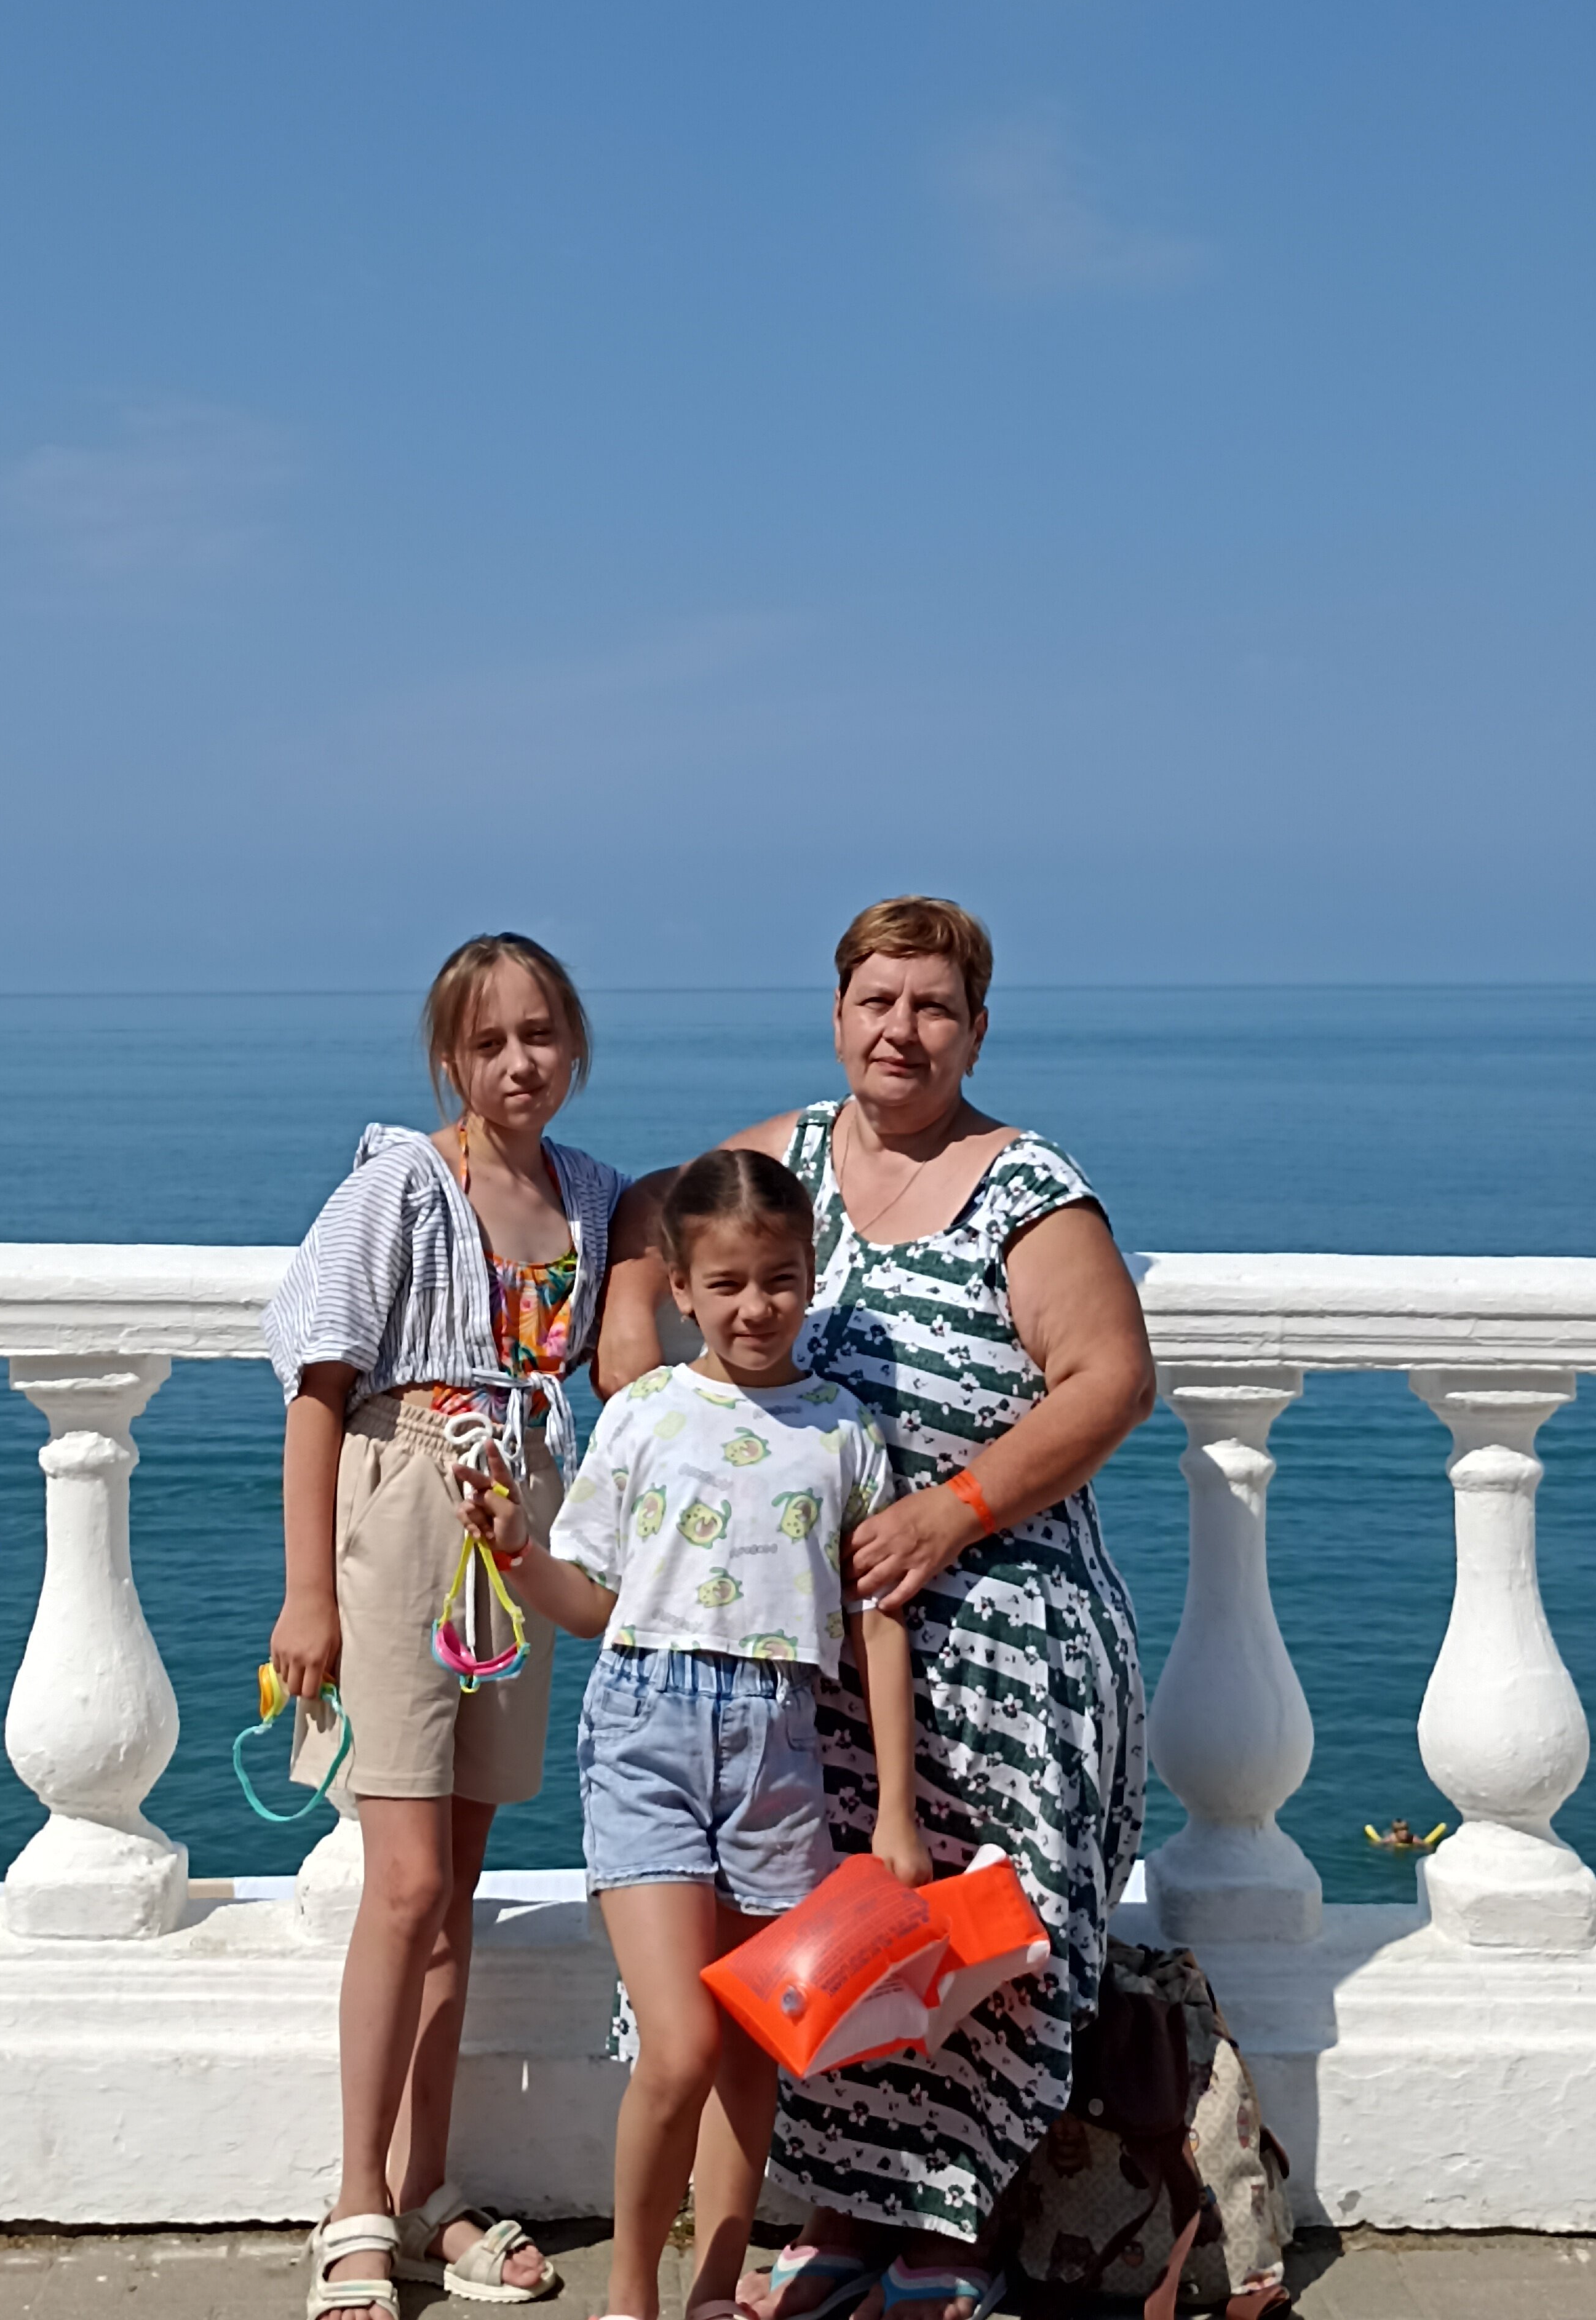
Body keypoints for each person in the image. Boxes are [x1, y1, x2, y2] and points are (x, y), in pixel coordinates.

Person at [598, 898, 1156, 2320]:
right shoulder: (784, 1154)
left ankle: (958, 2222)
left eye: (932, 1004)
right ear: (837, 1011)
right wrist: (628, 1368)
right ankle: (847, 2204)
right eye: (876, 999)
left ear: (975, 1027)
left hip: (1002, 1638)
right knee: (839, 1941)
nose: (900, 1029)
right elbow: (647, 1223)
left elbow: (1109, 1378)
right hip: (820, 1653)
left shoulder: (1027, 1188)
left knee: (967, 1950)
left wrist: (954, 1506)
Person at [458, 1147, 929, 2320]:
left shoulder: (844, 1433)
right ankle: (632, 2300)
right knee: (678, 2047)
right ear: (680, 1289)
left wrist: (898, 1814)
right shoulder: (646, 1415)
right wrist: (517, 1547)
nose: (755, 1307)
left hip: (778, 1749)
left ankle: (714, 2291)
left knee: (751, 2046)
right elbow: (592, 1602)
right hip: (646, 1733)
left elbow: (878, 1625)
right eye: (725, 1285)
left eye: (779, 1280)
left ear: (811, 1275)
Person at [263, 934, 625, 2320]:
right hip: (408, 1505)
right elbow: (318, 1390)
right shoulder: (401, 1186)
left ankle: (425, 2189)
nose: (518, 1062)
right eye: (487, 1043)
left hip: (518, 1522)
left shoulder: (592, 1194)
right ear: (449, 1059)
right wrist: (308, 1593)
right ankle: (355, 2198)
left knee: (456, 1884)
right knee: (405, 1882)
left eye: (539, 1034)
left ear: (573, 1040)